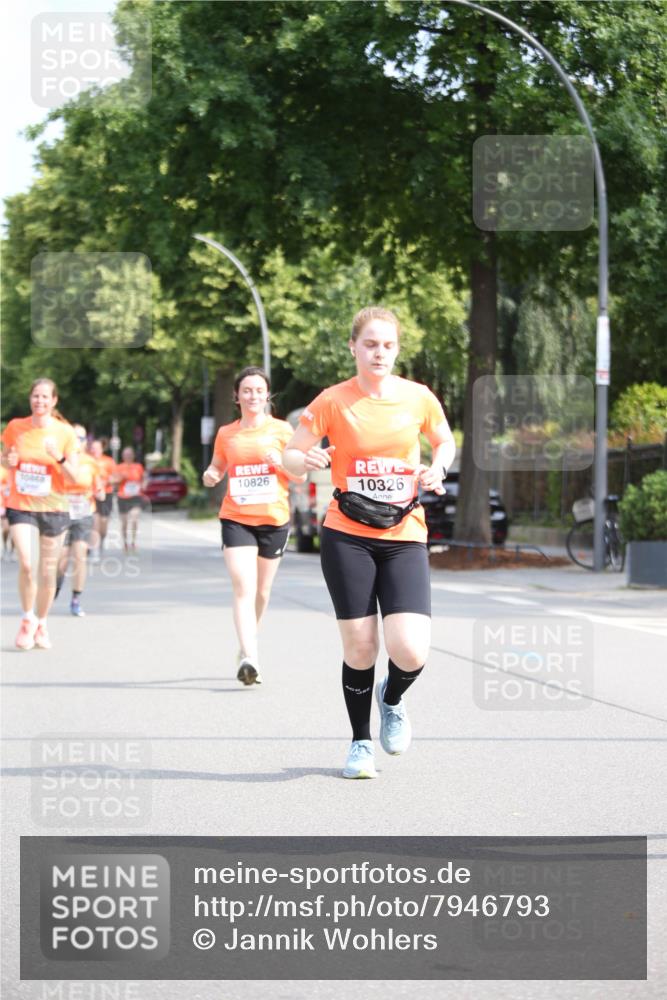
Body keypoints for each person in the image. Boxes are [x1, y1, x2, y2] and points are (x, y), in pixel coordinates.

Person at [283, 307, 456, 779]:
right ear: (354, 348)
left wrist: (437, 468)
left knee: (411, 650)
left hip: (403, 534)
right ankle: (360, 743)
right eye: (371, 344)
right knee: (360, 647)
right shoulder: (333, 401)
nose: (380, 353)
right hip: (347, 535)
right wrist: (306, 458)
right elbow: (291, 456)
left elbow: (444, 442)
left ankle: (393, 698)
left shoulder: (418, 398)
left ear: (397, 349)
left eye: (388, 345)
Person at [202, 366, 306, 686]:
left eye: (259, 390)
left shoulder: (282, 431)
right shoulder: (227, 433)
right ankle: (249, 654)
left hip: (274, 519)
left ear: (267, 395)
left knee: (262, 591)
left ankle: (249, 640)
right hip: (237, 518)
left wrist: (282, 465)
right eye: (247, 390)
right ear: (237, 396)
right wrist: (211, 474)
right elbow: (218, 464)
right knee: (243, 587)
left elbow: (300, 477)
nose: (253, 396)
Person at [1, 378, 78, 650]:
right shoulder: (15, 428)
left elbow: (75, 474)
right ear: (30, 399)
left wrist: (58, 456)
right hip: (21, 505)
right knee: (27, 562)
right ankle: (26, 618)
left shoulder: (65, 433)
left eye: (45, 397)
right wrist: (6, 461)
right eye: (36, 396)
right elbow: (5, 457)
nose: (40, 401)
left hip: (54, 507)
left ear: (54, 401)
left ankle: (42, 622)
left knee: (48, 572)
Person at [56, 425, 104, 616]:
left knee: (80, 555)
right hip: (60, 513)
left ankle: (76, 599)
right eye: (74, 437)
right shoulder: (59, 460)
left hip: (84, 513)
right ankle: (55, 586)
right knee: (60, 559)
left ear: (86, 442)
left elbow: (98, 487)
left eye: (82, 438)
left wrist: (99, 493)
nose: (78, 441)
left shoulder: (91, 463)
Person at [113, 447, 146, 552]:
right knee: (125, 522)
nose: (128, 456)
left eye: (130, 454)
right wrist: (120, 478)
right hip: (123, 497)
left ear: (133, 456)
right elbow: (113, 482)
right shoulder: (119, 467)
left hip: (136, 496)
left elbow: (144, 479)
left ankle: (133, 542)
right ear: (123, 456)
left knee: (134, 518)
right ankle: (125, 542)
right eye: (126, 455)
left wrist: (144, 485)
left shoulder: (138, 467)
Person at [89, 438, 116, 562]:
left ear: (101, 449)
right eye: (92, 447)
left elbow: (115, 477)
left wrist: (106, 481)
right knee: (95, 522)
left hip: (106, 494)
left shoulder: (108, 461)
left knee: (103, 524)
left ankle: (101, 540)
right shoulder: (87, 460)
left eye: (96, 447)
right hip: (91, 495)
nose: (94, 450)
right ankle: (93, 550)